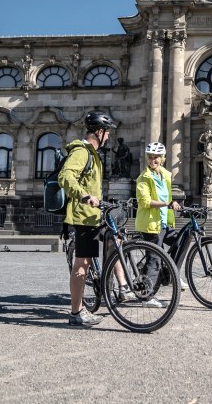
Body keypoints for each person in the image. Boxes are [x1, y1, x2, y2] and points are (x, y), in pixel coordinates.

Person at [59, 110, 134, 326]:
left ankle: (122, 287)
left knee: (115, 239)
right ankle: (76, 313)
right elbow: (66, 176)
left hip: (95, 215)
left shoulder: (94, 155)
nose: (109, 136)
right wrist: (84, 195)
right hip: (84, 217)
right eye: (107, 132)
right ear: (99, 132)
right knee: (82, 263)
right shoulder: (82, 152)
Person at [135, 142, 185, 308]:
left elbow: (168, 195)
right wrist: (167, 203)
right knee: (154, 259)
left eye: (156, 157)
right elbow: (145, 201)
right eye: (150, 156)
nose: (152, 159)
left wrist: (172, 202)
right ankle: (146, 297)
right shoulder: (143, 178)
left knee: (182, 239)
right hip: (151, 224)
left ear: (162, 158)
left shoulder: (165, 175)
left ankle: (172, 272)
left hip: (164, 222)